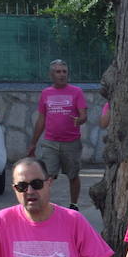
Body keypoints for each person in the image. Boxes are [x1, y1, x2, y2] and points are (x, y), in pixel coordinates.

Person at [25, 60, 87, 209]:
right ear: (51, 74)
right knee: (47, 176)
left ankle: (73, 205)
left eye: (64, 71)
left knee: (73, 175)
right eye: (58, 72)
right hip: (50, 142)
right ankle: (45, 205)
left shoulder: (76, 92)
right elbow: (41, 119)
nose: (62, 75)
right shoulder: (46, 93)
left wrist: (79, 120)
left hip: (71, 142)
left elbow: (84, 115)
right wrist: (33, 142)